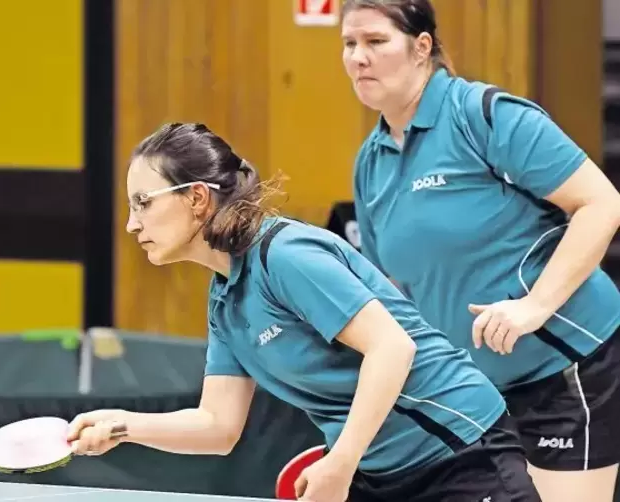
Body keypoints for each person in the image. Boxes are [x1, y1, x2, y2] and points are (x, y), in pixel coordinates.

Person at [67, 122, 542, 502]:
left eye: (143, 204)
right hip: (378, 473)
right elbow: (218, 426)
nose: (132, 223)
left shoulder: (286, 254)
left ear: (196, 198)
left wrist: (340, 464)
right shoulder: (224, 300)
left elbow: (392, 347)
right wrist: (123, 425)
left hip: (459, 453)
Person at [341, 1, 620, 501]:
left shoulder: (484, 116)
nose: (358, 57)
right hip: (477, 394)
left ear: (421, 47)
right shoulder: (371, 162)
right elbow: (392, 292)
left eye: (376, 42)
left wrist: (535, 306)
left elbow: (602, 204)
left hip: (565, 368)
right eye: (349, 44)